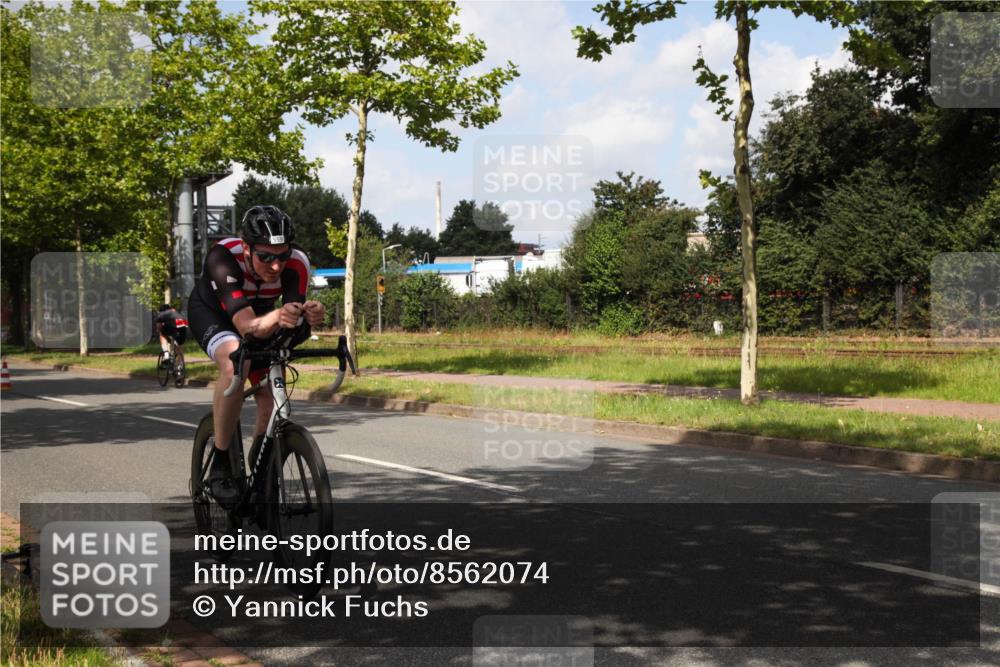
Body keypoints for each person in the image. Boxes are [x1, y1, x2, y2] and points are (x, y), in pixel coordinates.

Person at [188, 205, 325, 501]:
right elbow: (247, 326)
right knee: (236, 359)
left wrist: (306, 317)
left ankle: (262, 457)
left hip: (263, 314)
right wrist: (279, 317)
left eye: (281, 256)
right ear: (246, 249)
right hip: (215, 314)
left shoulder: (297, 264)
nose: (275, 266)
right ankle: (221, 462)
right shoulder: (222, 258)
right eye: (265, 257)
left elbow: (290, 323)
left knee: (272, 387)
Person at [155, 304, 188, 369]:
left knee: (162, 334)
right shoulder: (175, 312)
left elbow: (159, 327)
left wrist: (159, 331)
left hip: (174, 325)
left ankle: (166, 355)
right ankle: (180, 367)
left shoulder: (161, 314)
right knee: (178, 346)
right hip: (184, 324)